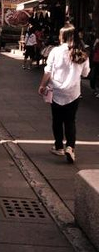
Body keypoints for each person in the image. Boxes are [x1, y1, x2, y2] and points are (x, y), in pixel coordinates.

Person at [38, 26, 90, 163]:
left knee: (57, 120)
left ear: (62, 36)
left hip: (57, 91)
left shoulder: (56, 51)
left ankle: (59, 146)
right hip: (73, 92)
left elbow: (48, 71)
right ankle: (70, 147)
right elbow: (86, 73)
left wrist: (42, 85)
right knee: (70, 120)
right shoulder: (82, 52)